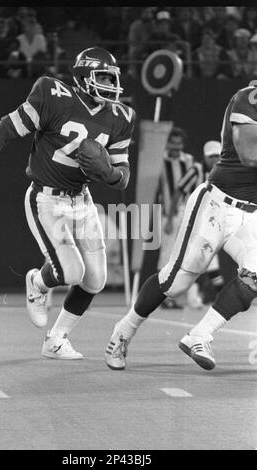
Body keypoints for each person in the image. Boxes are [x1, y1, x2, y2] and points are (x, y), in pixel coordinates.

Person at [0, 46, 135, 360]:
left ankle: (56, 338)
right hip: (46, 198)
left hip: (82, 200)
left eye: (112, 77)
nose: (110, 83)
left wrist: (108, 172)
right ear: (82, 77)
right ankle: (37, 282)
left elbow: (123, 176)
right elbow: (7, 127)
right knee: (71, 272)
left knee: (96, 278)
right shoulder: (53, 94)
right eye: (102, 76)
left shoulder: (121, 117)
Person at [105, 83, 257, 371]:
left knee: (255, 276)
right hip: (216, 204)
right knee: (177, 282)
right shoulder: (248, 98)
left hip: (251, 214)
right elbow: (250, 153)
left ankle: (199, 335)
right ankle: (123, 332)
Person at [164, 140, 223, 308]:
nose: (215, 159)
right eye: (211, 156)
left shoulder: (222, 172)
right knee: (186, 256)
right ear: (205, 156)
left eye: (218, 155)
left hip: (208, 220)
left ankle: (196, 297)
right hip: (190, 219)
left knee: (204, 255)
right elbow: (179, 190)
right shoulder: (196, 170)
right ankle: (169, 296)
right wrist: (170, 218)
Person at [156, 127, 194, 309]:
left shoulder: (189, 160)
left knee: (187, 255)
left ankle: (182, 297)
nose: (176, 147)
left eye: (179, 144)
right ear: (167, 143)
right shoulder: (159, 161)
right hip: (168, 213)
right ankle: (161, 296)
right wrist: (168, 217)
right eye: (173, 143)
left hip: (187, 213)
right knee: (167, 254)